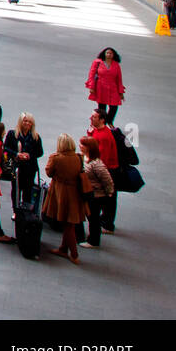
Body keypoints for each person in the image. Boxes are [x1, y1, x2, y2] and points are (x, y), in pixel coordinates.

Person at [43, 133, 88, 264]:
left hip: (61, 192)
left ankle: (74, 254)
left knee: (67, 225)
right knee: (69, 222)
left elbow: (49, 173)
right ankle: (63, 248)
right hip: (75, 193)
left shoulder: (56, 158)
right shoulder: (79, 157)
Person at [86, 109, 121, 233]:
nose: (91, 118)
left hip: (108, 170)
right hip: (104, 168)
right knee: (108, 198)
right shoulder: (97, 130)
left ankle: (108, 224)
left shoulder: (104, 136)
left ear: (102, 120)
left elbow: (102, 158)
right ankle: (106, 221)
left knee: (108, 199)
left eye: (94, 117)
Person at [3, 113, 44, 212]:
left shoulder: (35, 137)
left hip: (30, 168)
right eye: (25, 121)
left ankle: (25, 210)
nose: (27, 123)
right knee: (16, 189)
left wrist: (29, 155)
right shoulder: (12, 134)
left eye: (29, 122)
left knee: (28, 190)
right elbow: (5, 148)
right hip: (16, 167)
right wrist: (16, 154)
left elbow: (40, 152)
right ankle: (16, 210)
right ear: (20, 122)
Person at [79, 135, 115, 249]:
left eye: (83, 145)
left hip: (96, 196)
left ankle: (93, 240)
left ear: (89, 148)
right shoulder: (85, 158)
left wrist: (109, 193)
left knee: (93, 218)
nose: (80, 146)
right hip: (90, 193)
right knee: (91, 217)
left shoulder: (97, 164)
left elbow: (107, 180)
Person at [85, 47, 123, 124]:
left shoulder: (116, 65)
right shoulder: (97, 62)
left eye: (111, 53)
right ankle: (102, 123)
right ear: (104, 54)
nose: (109, 55)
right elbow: (91, 75)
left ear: (113, 55)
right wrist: (91, 87)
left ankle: (109, 121)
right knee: (102, 107)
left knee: (114, 107)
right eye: (107, 53)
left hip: (113, 88)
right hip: (101, 87)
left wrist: (120, 91)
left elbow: (119, 79)